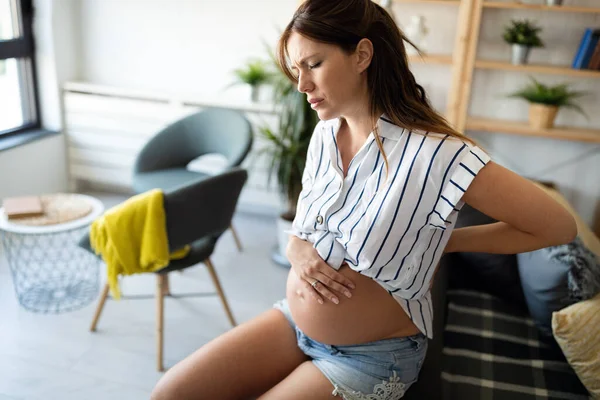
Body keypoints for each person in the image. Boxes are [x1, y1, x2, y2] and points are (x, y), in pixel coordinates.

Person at [151, 0, 577, 399]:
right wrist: (297, 247)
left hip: (371, 358)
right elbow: (305, 226)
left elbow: (557, 226)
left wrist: (449, 242)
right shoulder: (324, 133)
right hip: (294, 322)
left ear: (362, 55)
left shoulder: (439, 154)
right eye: (297, 69)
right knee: (170, 393)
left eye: (314, 64)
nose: (302, 84)